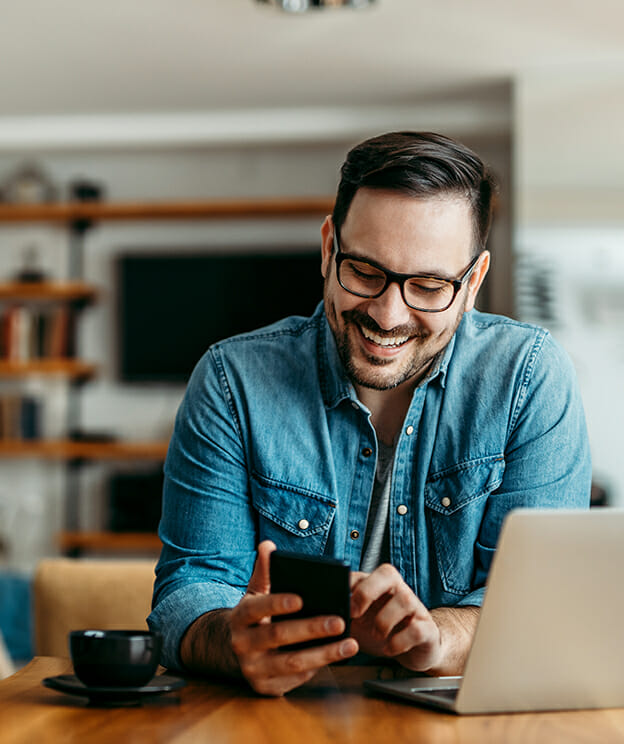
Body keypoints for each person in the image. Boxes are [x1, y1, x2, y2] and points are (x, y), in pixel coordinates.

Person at [148, 131, 591, 696]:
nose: (387, 315)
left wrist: (438, 637)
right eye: (364, 271)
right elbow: (189, 593)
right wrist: (231, 640)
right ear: (330, 247)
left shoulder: (529, 378)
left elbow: (543, 606)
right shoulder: (232, 382)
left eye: (429, 286)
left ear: (473, 281)